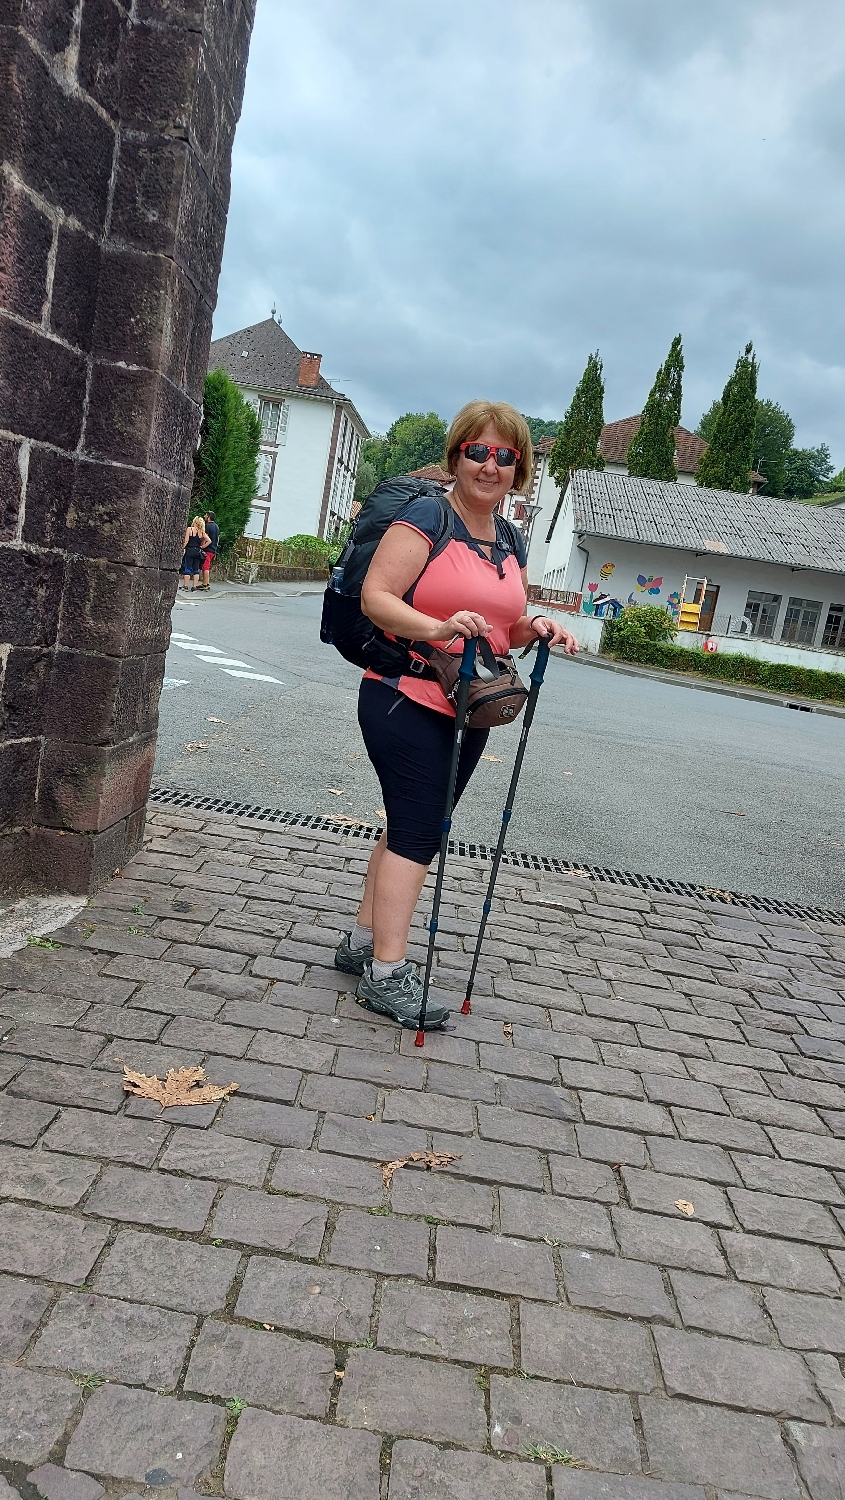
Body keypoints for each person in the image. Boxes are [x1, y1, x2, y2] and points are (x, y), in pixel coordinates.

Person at [334, 399, 579, 1027]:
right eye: (478, 451)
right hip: (403, 693)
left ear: (518, 468)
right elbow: (376, 598)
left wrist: (538, 626)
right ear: (457, 455)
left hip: (467, 708)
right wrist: (440, 627)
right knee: (419, 832)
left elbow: (501, 627)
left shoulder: (510, 537)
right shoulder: (426, 517)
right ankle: (387, 974)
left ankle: (362, 944)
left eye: (505, 455)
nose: (489, 465)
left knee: (412, 822)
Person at [180, 516, 208, 590]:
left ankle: (186, 586)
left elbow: (186, 541)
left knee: (188, 568)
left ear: (194, 522)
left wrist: (182, 548)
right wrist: (202, 546)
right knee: (196, 569)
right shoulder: (202, 532)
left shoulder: (190, 529)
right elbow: (209, 540)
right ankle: (194, 586)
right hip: (198, 551)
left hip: (190, 550)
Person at [201, 511, 220, 590]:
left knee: (205, 567)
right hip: (213, 549)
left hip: (208, 549)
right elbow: (218, 538)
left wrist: (201, 545)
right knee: (206, 566)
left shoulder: (207, 526)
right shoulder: (216, 526)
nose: (204, 516)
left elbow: (206, 537)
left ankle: (205, 585)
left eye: (206, 515)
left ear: (208, 517)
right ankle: (206, 582)